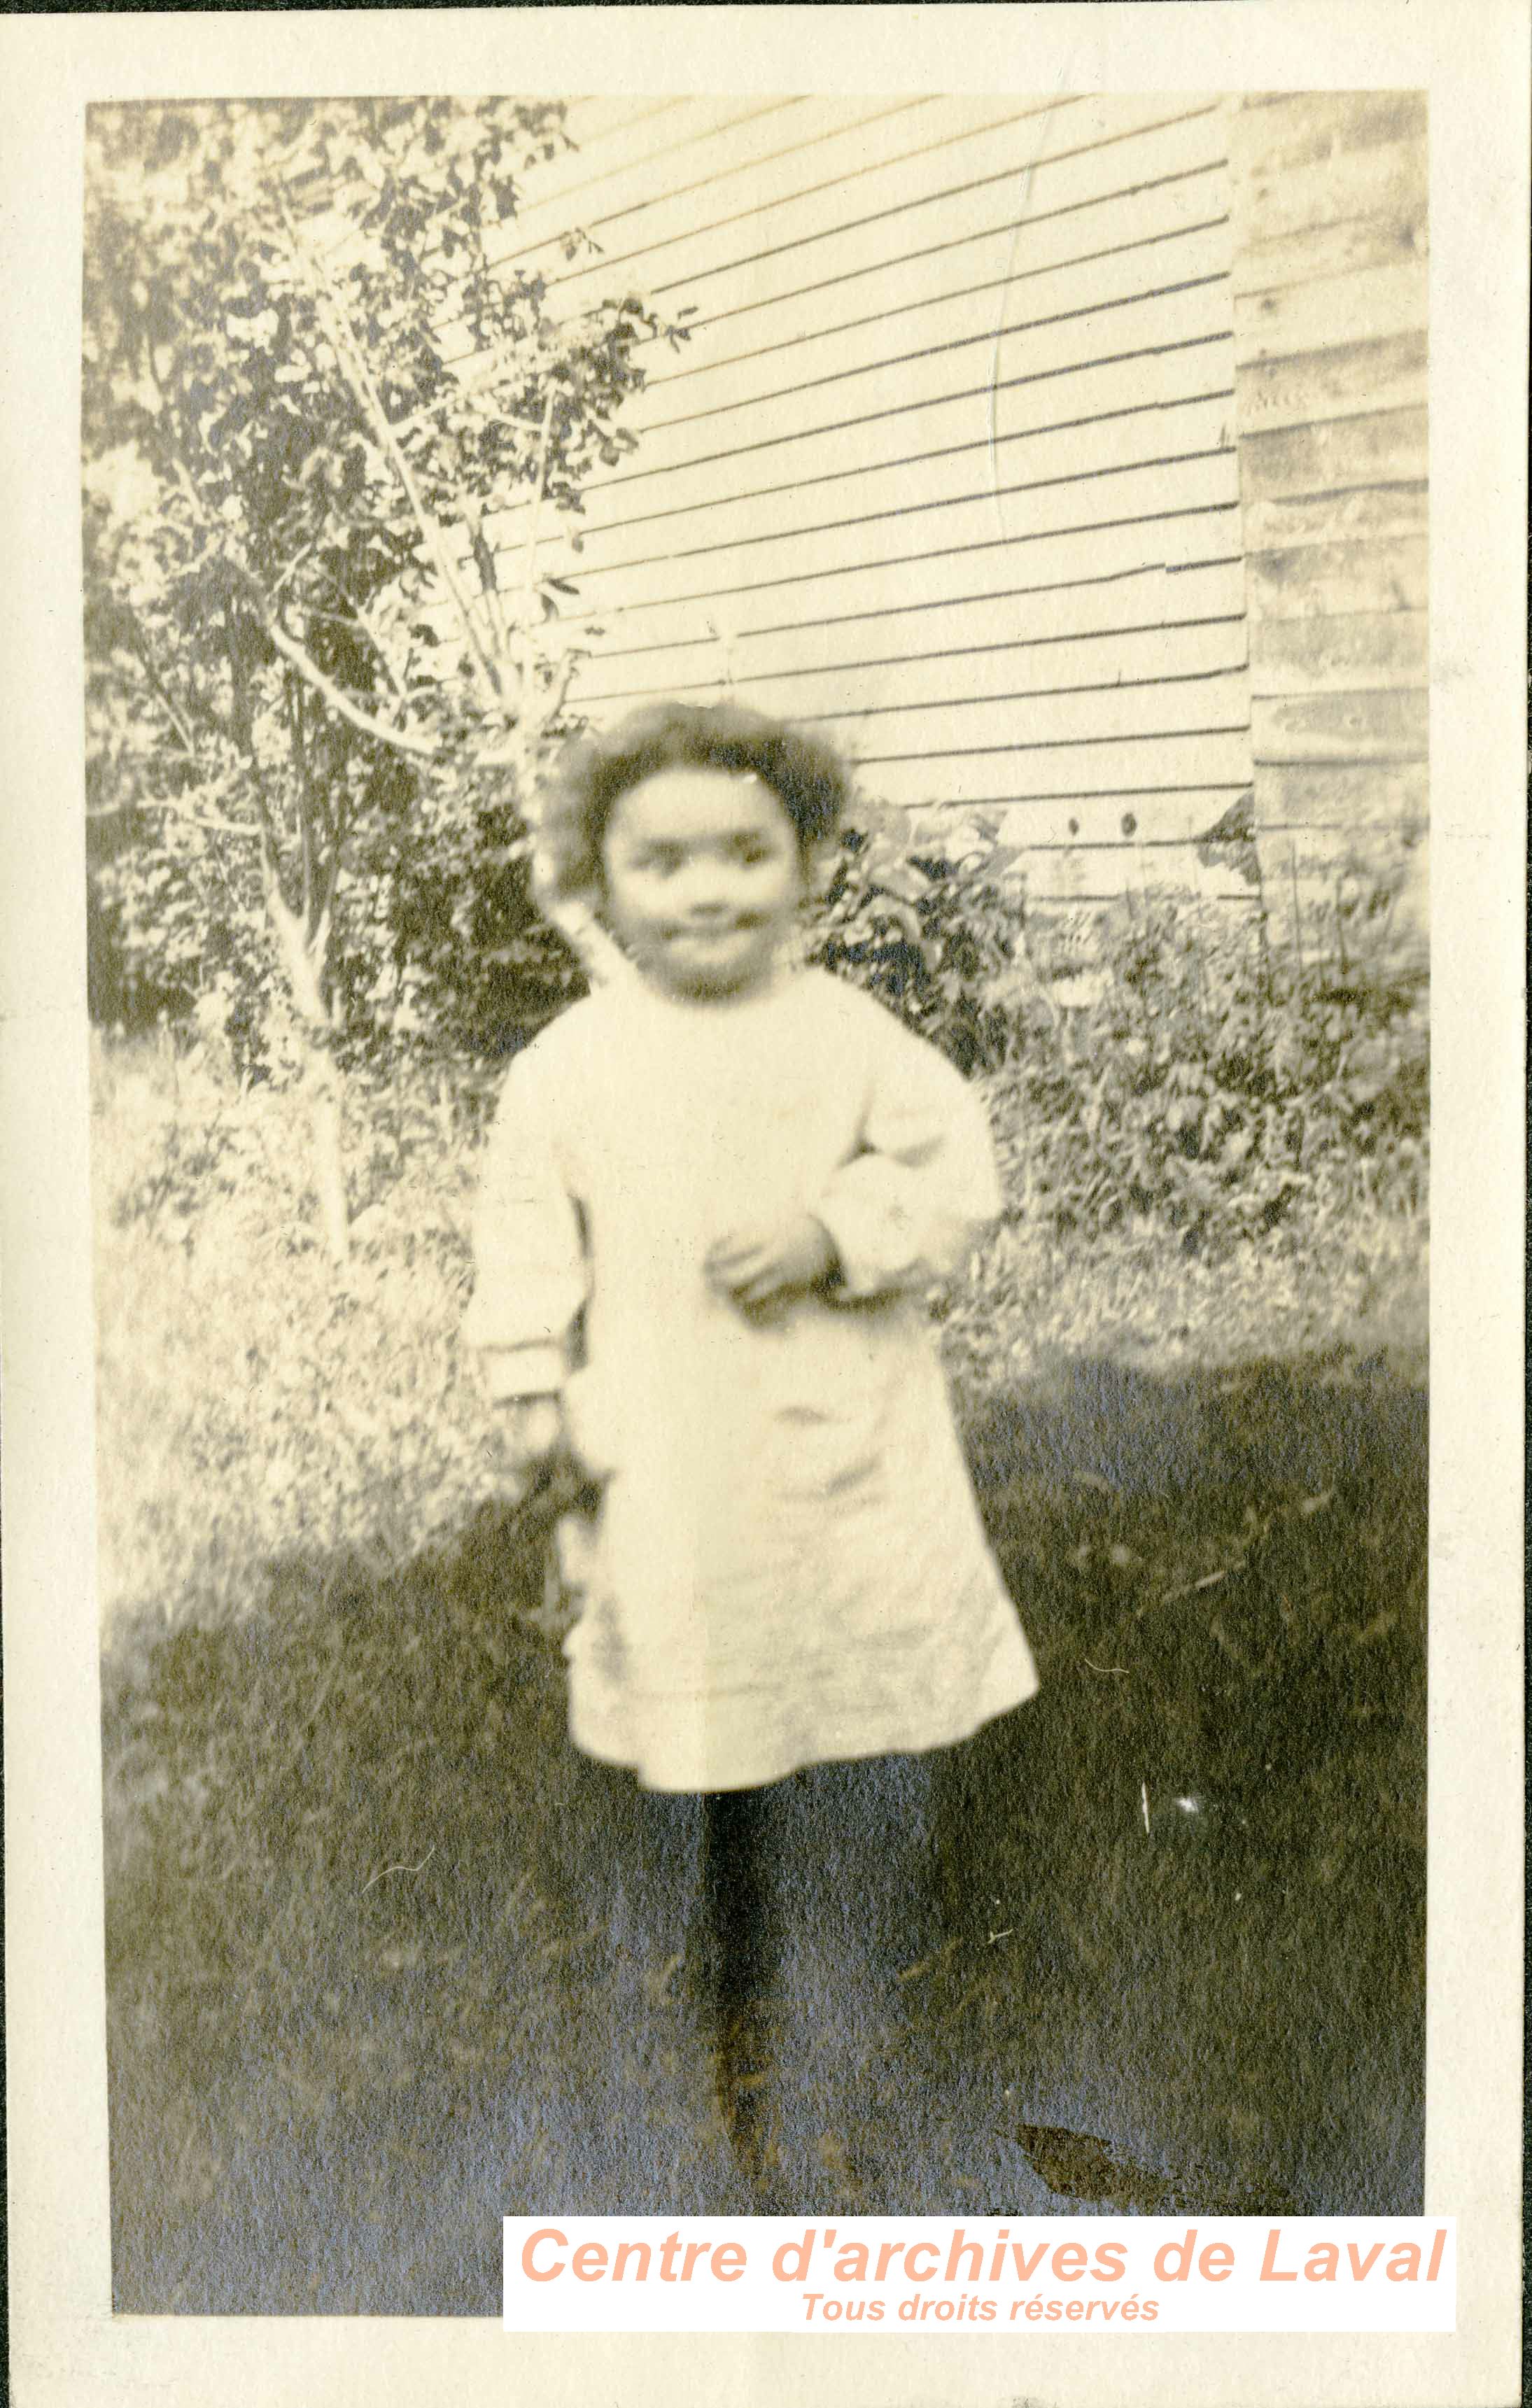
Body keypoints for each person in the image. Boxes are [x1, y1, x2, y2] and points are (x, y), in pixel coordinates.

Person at [464, 700, 1038, 2197]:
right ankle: (695, 2076)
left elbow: (952, 1173)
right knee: (686, 1754)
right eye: (663, 861)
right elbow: (526, 1243)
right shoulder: (569, 1068)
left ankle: (831, 2075)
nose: (709, 889)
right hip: (664, 1459)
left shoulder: (847, 1036)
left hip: (840, 1454)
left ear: (810, 864)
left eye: (746, 851)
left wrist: (835, 1230)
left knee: (850, 1747)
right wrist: (534, 1394)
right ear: (597, 880)